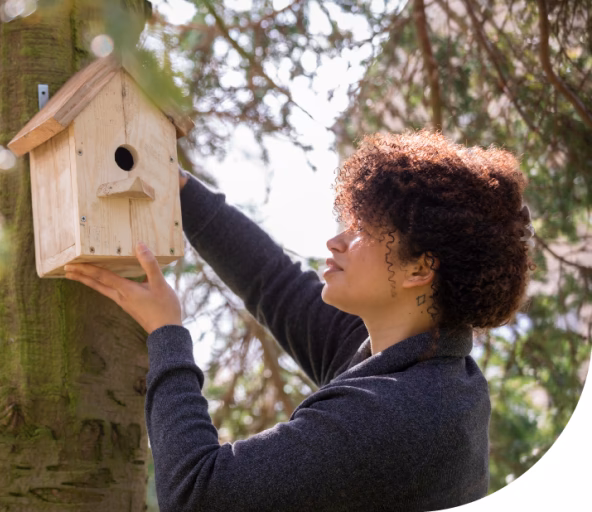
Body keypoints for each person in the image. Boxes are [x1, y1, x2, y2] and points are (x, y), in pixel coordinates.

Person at [64, 130, 536, 511]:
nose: (335, 240)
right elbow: (273, 282)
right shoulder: (413, 363)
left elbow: (196, 495)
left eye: (364, 232)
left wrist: (167, 333)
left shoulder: (397, 413)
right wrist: (174, 184)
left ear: (420, 269)